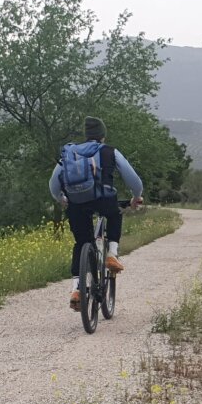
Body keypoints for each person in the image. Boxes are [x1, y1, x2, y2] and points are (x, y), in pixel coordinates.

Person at [49, 116, 144, 310]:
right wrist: (136, 197)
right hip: (104, 199)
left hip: (76, 202)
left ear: (86, 135)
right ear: (102, 136)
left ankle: (76, 289)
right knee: (115, 214)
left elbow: (53, 184)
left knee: (81, 242)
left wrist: (62, 199)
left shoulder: (70, 152)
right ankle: (111, 253)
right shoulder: (109, 152)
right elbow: (134, 180)